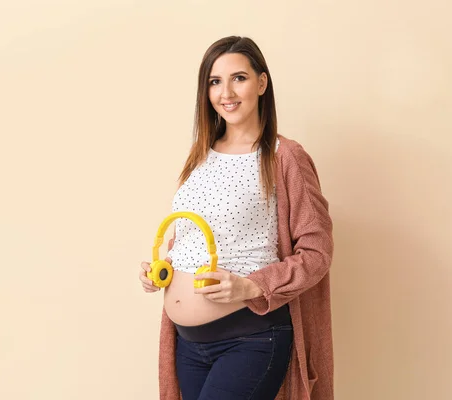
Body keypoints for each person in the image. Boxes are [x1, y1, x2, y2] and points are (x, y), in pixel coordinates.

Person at [139, 36, 334, 400]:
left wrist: (252, 286)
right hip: (188, 346)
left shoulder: (284, 156)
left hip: (250, 339)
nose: (225, 92)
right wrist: (163, 267)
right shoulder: (201, 156)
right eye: (215, 81)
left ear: (261, 83)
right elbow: (197, 237)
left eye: (238, 78)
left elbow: (317, 252)